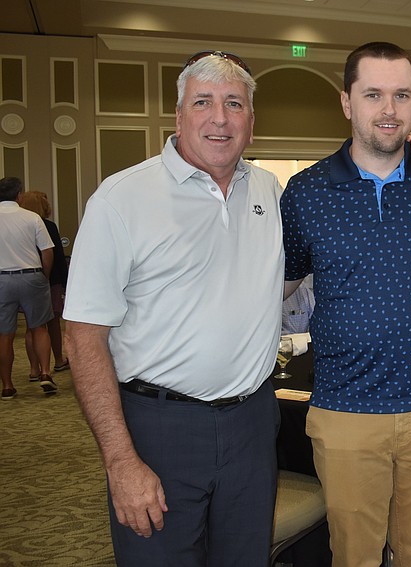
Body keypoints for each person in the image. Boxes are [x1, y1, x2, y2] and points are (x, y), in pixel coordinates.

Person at [63, 51, 285, 566]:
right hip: (157, 429)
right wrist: (120, 461)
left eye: (234, 103)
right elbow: (82, 338)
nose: (220, 117)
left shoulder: (270, 193)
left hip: (252, 425)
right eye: (202, 102)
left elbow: (283, 282)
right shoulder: (121, 199)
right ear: (178, 115)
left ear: (251, 121)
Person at [280, 42, 411, 566]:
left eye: (401, 95)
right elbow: (284, 283)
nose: (389, 109)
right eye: (374, 95)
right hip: (346, 411)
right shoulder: (305, 191)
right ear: (347, 102)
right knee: (354, 557)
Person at [0, 177, 57, 400]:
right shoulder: (32, 217)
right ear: (19, 195)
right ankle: (45, 372)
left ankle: (7, 385)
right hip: (31, 275)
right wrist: (44, 276)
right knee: (39, 327)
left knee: (5, 335)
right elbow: (47, 251)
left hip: (2, 279)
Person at [17, 191, 69, 377]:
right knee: (53, 323)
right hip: (49, 280)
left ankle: (34, 369)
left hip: (26, 279)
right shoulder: (47, 226)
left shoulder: (18, 225)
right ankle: (58, 360)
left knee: (33, 327)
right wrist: (65, 282)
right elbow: (57, 256)